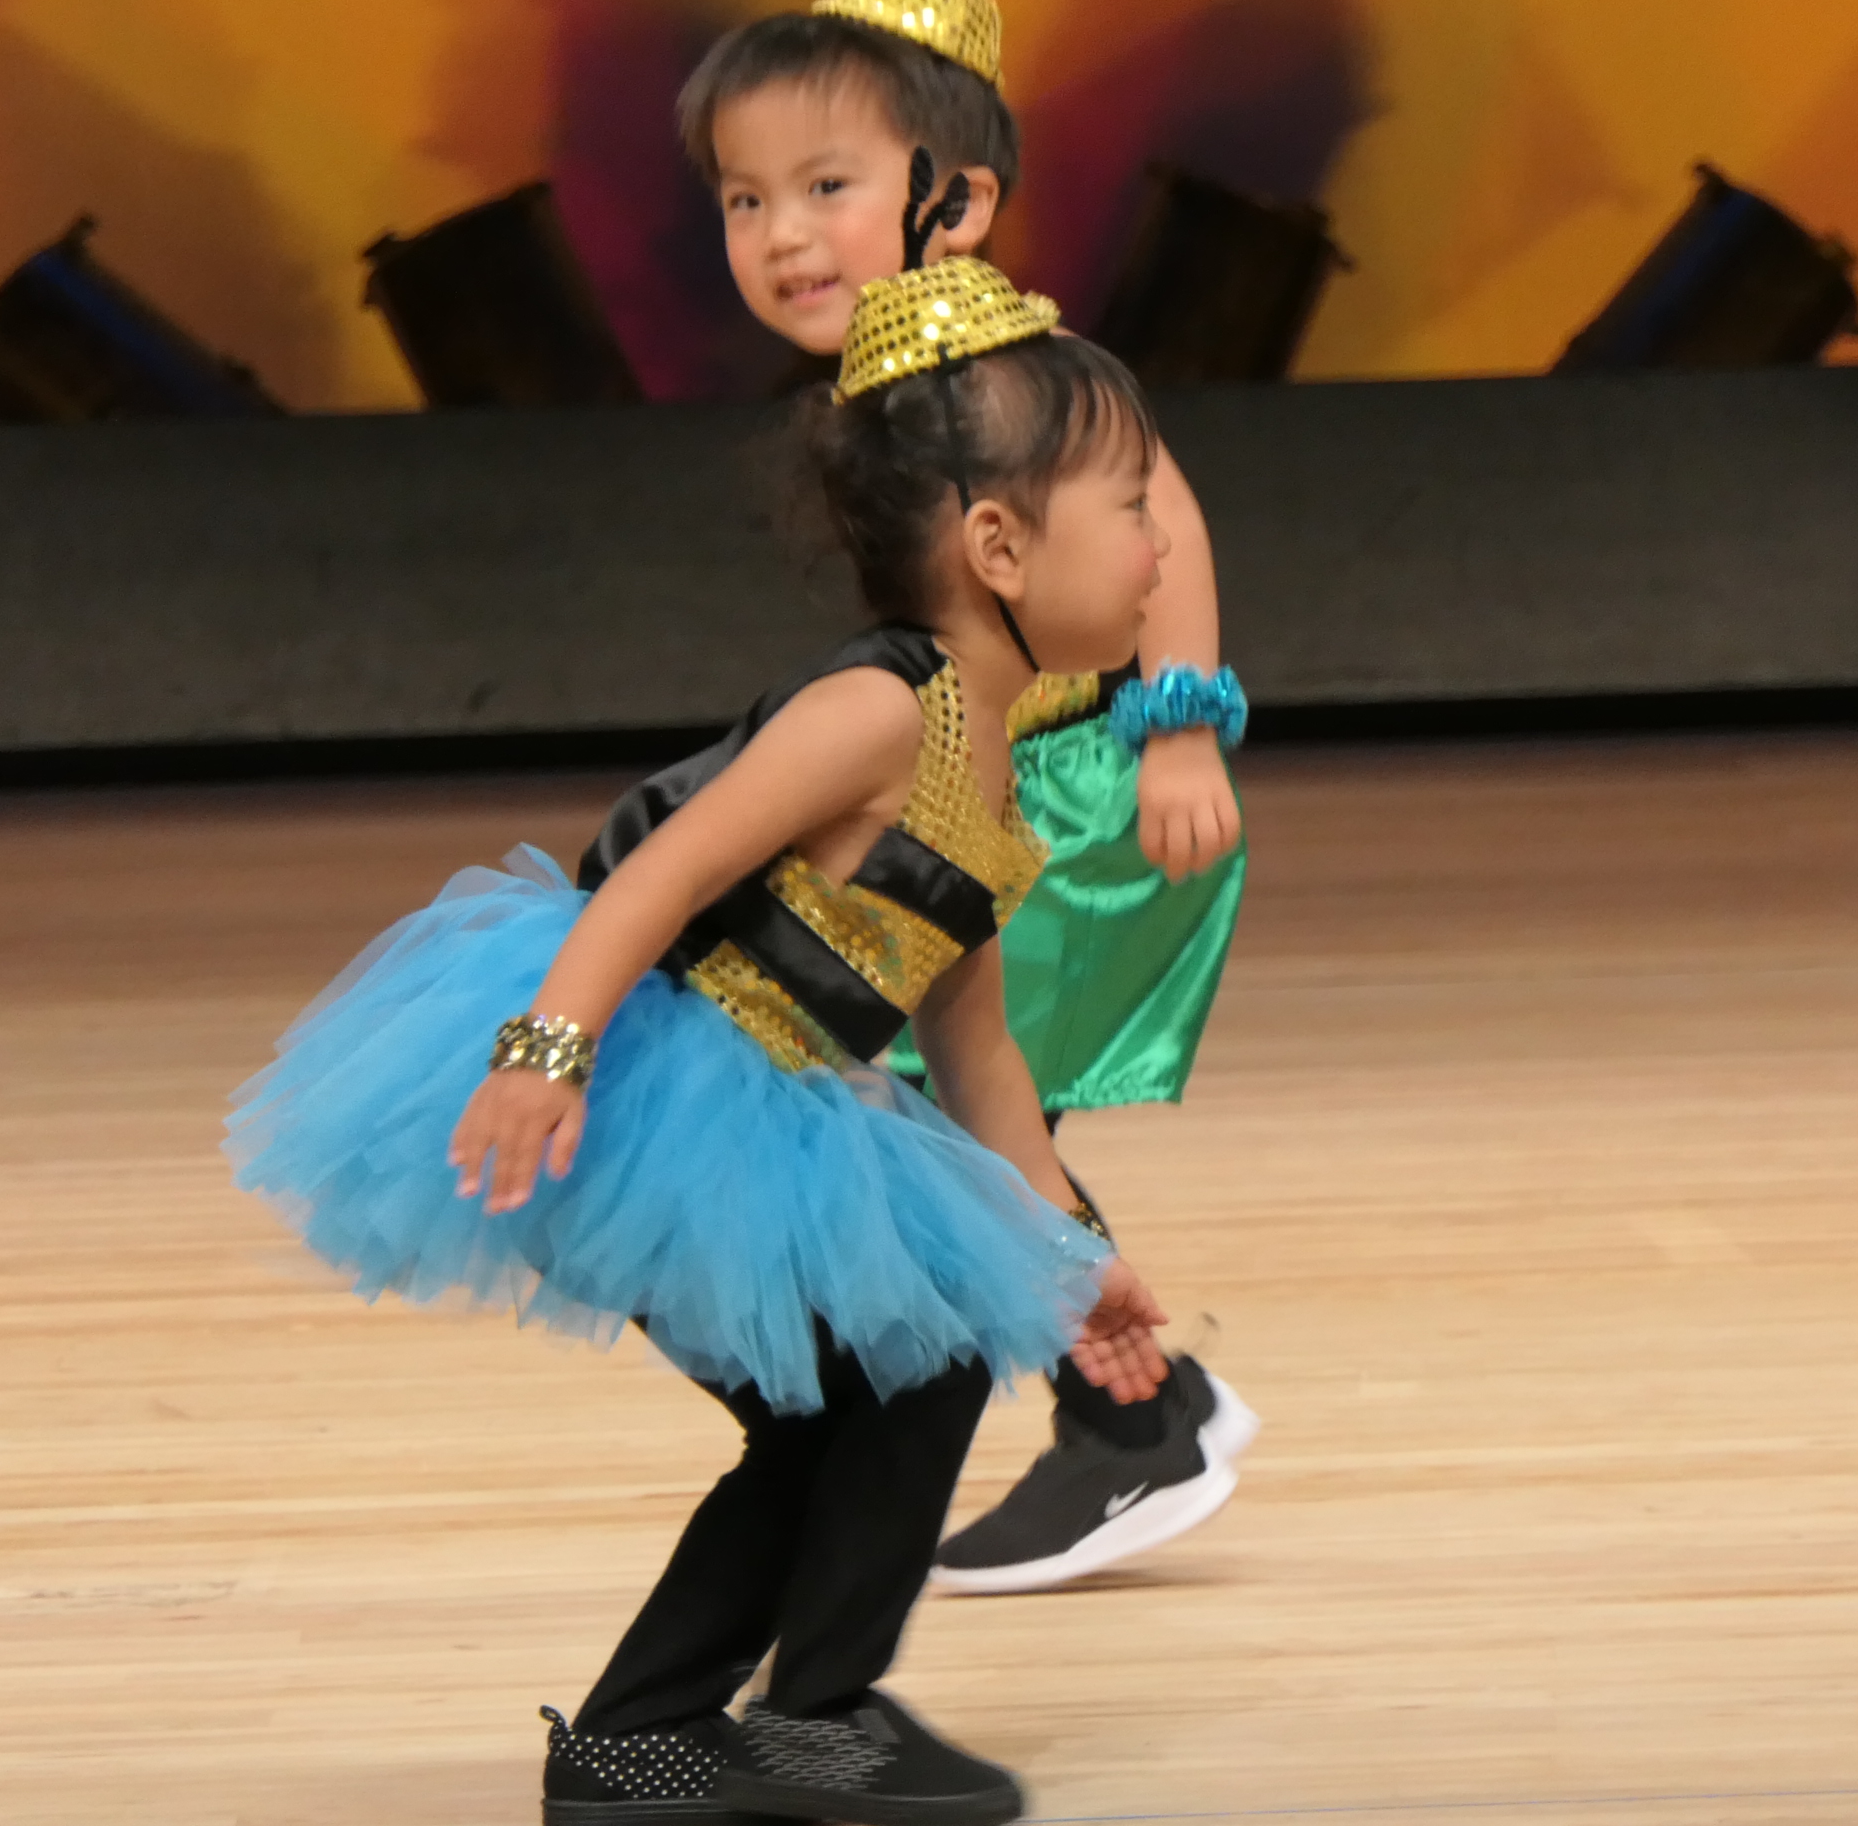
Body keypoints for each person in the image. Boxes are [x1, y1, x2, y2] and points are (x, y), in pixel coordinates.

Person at [232, 254, 1177, 1824]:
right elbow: (661, 873)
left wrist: (1080, 1253)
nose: (1160, 547)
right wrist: (549, 1053)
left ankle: (774, 1716)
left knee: (914, 1376)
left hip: (794, 1105)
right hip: (675, 1103)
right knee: (840, 1408)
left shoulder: (997, 765)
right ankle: (685, 1731)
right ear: (999, 545)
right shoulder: (884, 712)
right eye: (1134, 507)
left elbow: (980, 1054)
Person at [683, 0, 1257, 1591]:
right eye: (746, 200)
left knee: (948, 1107)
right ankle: (1123, 1410)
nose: (782, 237)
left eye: (828, 189)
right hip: (990, 786)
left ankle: (1135, 1420)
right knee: (942, 1106)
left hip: (1070, 792)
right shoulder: (902, 370)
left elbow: (1166, 520)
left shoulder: (1009, 372)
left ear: (959, 204)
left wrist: (1178, 730)